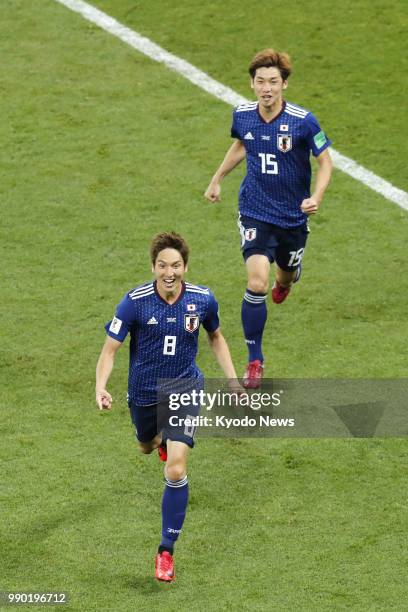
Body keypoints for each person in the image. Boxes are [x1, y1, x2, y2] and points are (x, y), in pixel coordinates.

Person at [95, 232, 239, 582]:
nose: (169, 272)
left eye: (176, 265)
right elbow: (109, 351)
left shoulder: (203, 300)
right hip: (143, 392)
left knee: (175, 470)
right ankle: (159, 442)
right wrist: (100, 386)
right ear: (153, 268)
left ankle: (165, 551)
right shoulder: (135, 302)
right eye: (163, 265)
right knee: (145, 445)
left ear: (185, 267)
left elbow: (216, 338)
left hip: (185, 388)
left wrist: (233, 380)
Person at [204, 48, 333, 388]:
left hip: (292, 218)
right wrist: (218, 178)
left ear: (284, 85)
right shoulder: (243, 115)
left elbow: (326, 162)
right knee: (256, 283)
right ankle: (254, 360)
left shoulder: (304, 121)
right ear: (252, 84)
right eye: (260, 81)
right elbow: (242, 145)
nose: (266, 88)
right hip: (255, 211)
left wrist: (315, 197)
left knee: (284, 277)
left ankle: (287, 280)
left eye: (273, 82)